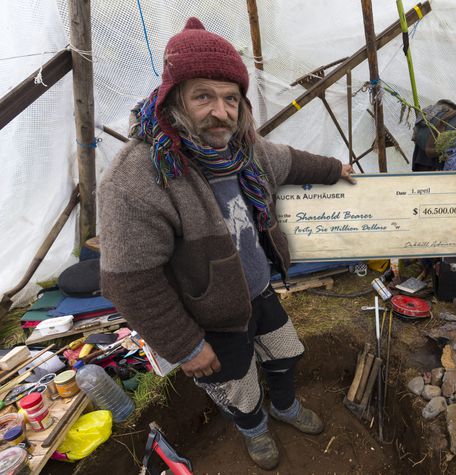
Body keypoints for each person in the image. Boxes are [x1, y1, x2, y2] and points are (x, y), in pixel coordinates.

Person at [99, 17, 354, 470]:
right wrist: (185, 346)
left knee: (286, 351)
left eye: (231, 98)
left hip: (256, 292)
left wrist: (335, 167)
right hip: (210, 316)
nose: (221, 111)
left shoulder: (244, 152)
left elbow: (292, 161)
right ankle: (254, 431)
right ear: (173, 98)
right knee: (238, 384)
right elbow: (129, 281)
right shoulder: (139, 176)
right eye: (203, 96)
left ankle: (286, 407)